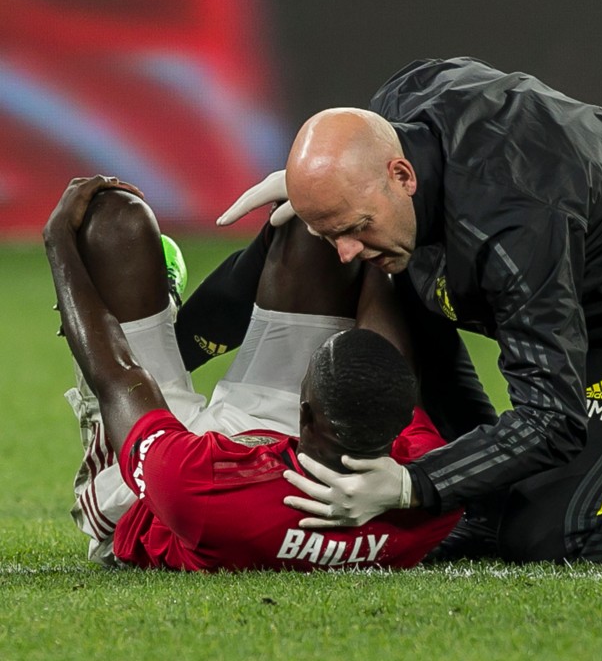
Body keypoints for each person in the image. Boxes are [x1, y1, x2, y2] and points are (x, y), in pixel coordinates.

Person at [213, 56, 602, 562]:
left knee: (547, 533)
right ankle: (483, 501)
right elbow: (292, 243)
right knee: (382, 269)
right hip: (566, 266)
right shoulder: (397, 121)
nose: (346, 249)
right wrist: (318, 188)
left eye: (356, 226)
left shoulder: (514, 225)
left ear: (402, 176)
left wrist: (414, 485)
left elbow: (551, 419)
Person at [46, 175, 460, 571]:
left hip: (167, 493)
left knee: (112, 221)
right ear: (403, 419)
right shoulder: (428, 488)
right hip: (260, 463)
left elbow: (117, 375)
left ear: (307, 411)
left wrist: (60, 242)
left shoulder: (194, 487)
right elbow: (388, 358)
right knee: (316, 221)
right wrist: (367, 231)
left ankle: (159, 306)